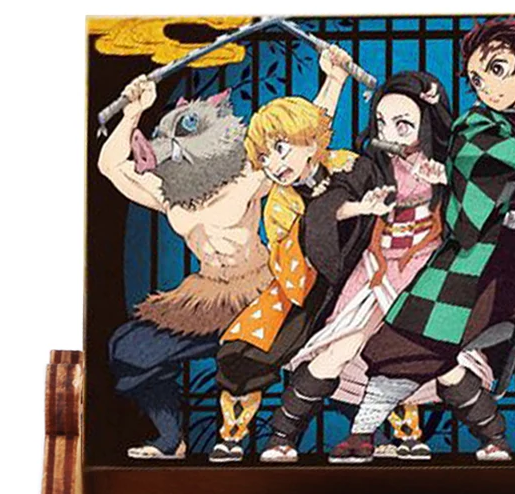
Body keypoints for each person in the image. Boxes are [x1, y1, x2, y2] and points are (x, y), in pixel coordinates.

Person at [358, 17, 515, 463]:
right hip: (486, 258)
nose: (485, 87)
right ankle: (362, 431)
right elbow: (489, 157)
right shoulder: (474, 125)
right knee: (416, 340)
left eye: (496, 69)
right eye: (476, 78)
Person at [100, 44, 350, 460]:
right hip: (203, 299)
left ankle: (263, 435)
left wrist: (335, 80)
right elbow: (110, 166)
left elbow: (301, 134)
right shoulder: (166, 190)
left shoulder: (247, 174)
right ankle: (170, 439)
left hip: (259, 293)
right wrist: (132, 113)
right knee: (128, 349)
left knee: (258, 363)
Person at [258, 71, 490, 464]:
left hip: (427, 271)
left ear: (427, 121)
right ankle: (282, 437)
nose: (390, 133)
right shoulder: (370, 166)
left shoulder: (452, 162)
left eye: (403, 124)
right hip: (378, 269)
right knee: (341, 348)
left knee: (442, 360)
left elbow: (481, 213)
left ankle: (493, 437)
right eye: (382, 122)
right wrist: (360, 207)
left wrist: (451, 183)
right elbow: (331, 202)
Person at [209, 87, 372, 461]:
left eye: (280, 149)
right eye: (264, 158)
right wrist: (314, 224)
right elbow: (286, 263)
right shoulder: (279, 202)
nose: (273, 164)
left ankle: (398, 431)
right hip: (307, 290)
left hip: (364, 275)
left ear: (310, 140)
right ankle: (234, 434)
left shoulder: (348, 163)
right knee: (245, 351)